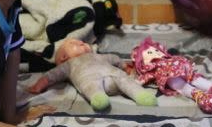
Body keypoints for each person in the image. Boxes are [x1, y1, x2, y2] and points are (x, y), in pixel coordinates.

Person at [27, 38, 156, 111]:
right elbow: (51, 75)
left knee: (124, 79)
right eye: (73, 44)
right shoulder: (68, 65)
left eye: (81, 42)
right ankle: (98, 99)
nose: (80, 42)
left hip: (113, 75)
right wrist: (39, 85)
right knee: (90, 86)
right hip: (91, 80)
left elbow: (113, 58)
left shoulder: (97, 56)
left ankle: (141, 95)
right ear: (63, 57)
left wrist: (124, 66)